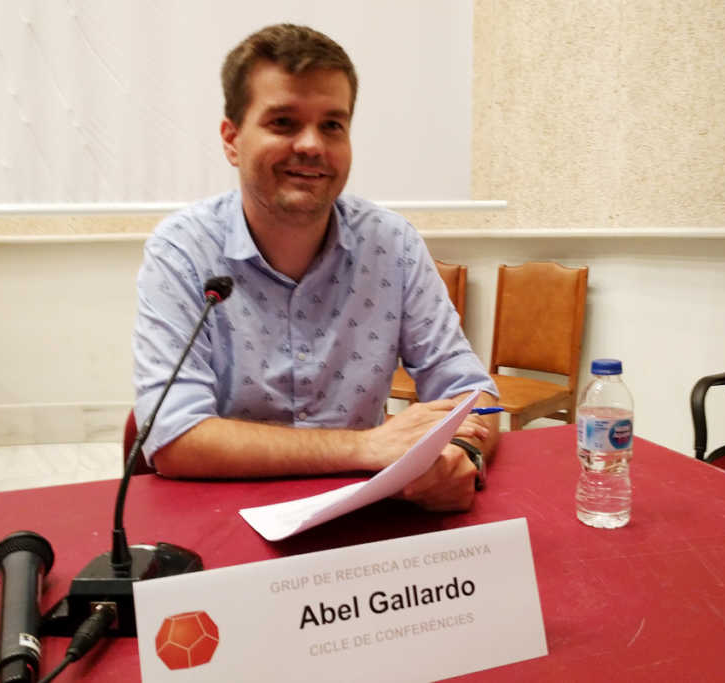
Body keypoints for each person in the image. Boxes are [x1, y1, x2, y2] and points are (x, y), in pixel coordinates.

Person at [132, 23, 499, 511]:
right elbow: (174, 437)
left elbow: (475, 394)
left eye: (332, 124)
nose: (312, 145)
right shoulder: (182, 251)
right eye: (283, 122)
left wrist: (462, 452)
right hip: (226, 516)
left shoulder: (393, 244)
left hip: (362, 514)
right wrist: (366, 446)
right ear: (232, 139)